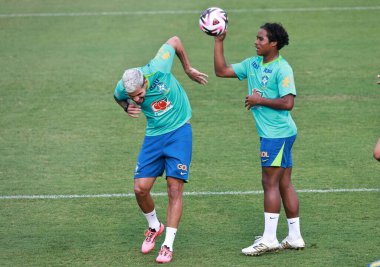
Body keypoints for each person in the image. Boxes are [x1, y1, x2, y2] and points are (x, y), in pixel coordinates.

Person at [113, 36, 208, 263]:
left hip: (179, 131)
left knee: (174, 189)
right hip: (154, 135)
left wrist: (187, 68)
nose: (136, 99)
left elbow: (174, 40)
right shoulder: (124, 89)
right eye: (132, 97)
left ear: (145, 82)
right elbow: (118, 97)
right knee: (140, 188)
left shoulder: (158, 66)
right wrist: (126, 107)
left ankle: (168, 245)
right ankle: (155, 226)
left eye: (138, 95)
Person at [213, 22, 305, 256]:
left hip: (277, 134)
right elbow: (221, 70)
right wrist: (218, 42)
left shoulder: (282, 69)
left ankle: (269, 239)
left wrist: (258, 100)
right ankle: (294, 237)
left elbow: (288, 103)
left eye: (261, 39)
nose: (256, 41)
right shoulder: (253, 63)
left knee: (270, 183)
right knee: (283, 183)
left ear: (273, 43)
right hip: (277, 134)